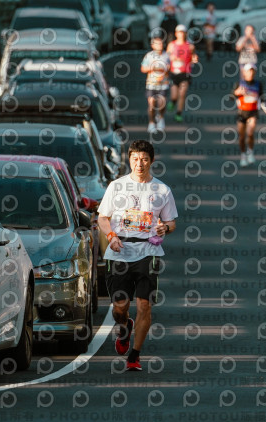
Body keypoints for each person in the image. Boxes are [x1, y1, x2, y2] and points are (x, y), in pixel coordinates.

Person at [98, 139, 178, 371]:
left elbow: (171, 222)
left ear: (151, 161)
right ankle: (124, 327)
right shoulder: (117, 186)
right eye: (135, 159)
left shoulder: (162, 190)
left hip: (148, 252)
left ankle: (134, 355)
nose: (139, 164)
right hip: (120, 251)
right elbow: (102, 217)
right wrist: (112, 236)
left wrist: (165, 228)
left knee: (145, 305)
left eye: (144, 159)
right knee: (119, 308)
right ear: (129, 160)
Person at [234, 63, 266, 167]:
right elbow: (232, 96)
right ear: (244, 72)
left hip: (253, 112)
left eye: (253, 71)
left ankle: (250, 152)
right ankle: (243, 155)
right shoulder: (239, 84)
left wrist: (263, 104)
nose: (251, 73)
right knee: (241, 137)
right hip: (242, 113)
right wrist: (237, 92)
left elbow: (261, 95)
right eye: (249, 71)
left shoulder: (258, 84)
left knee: (250, 133)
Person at [166, 24, 198, 122]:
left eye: (183, 32)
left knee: (182, 93)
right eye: (179, 32)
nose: (181, 34)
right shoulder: (171, 45)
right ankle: (173, 102)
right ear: (176, 33)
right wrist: (171, 58)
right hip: (173, 73)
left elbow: (193, 56)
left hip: (185, 73)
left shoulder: (190, 46)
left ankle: (178, 113)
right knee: (174, 95)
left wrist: (194, 59)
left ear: (186, 34)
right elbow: (166, 57)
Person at [141, 36, 170, 133]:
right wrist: (153, 68)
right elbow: (143, 68)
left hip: (163, 84)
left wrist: (165, 69)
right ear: (153, 45)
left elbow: (170, 67)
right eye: (157, 44)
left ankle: (161, 118)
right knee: (152, 104)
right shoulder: (149, 56)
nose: (160, 46)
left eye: (161, 43)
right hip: (151, 84)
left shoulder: (166, 56)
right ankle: (151, 122)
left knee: (162, 103)